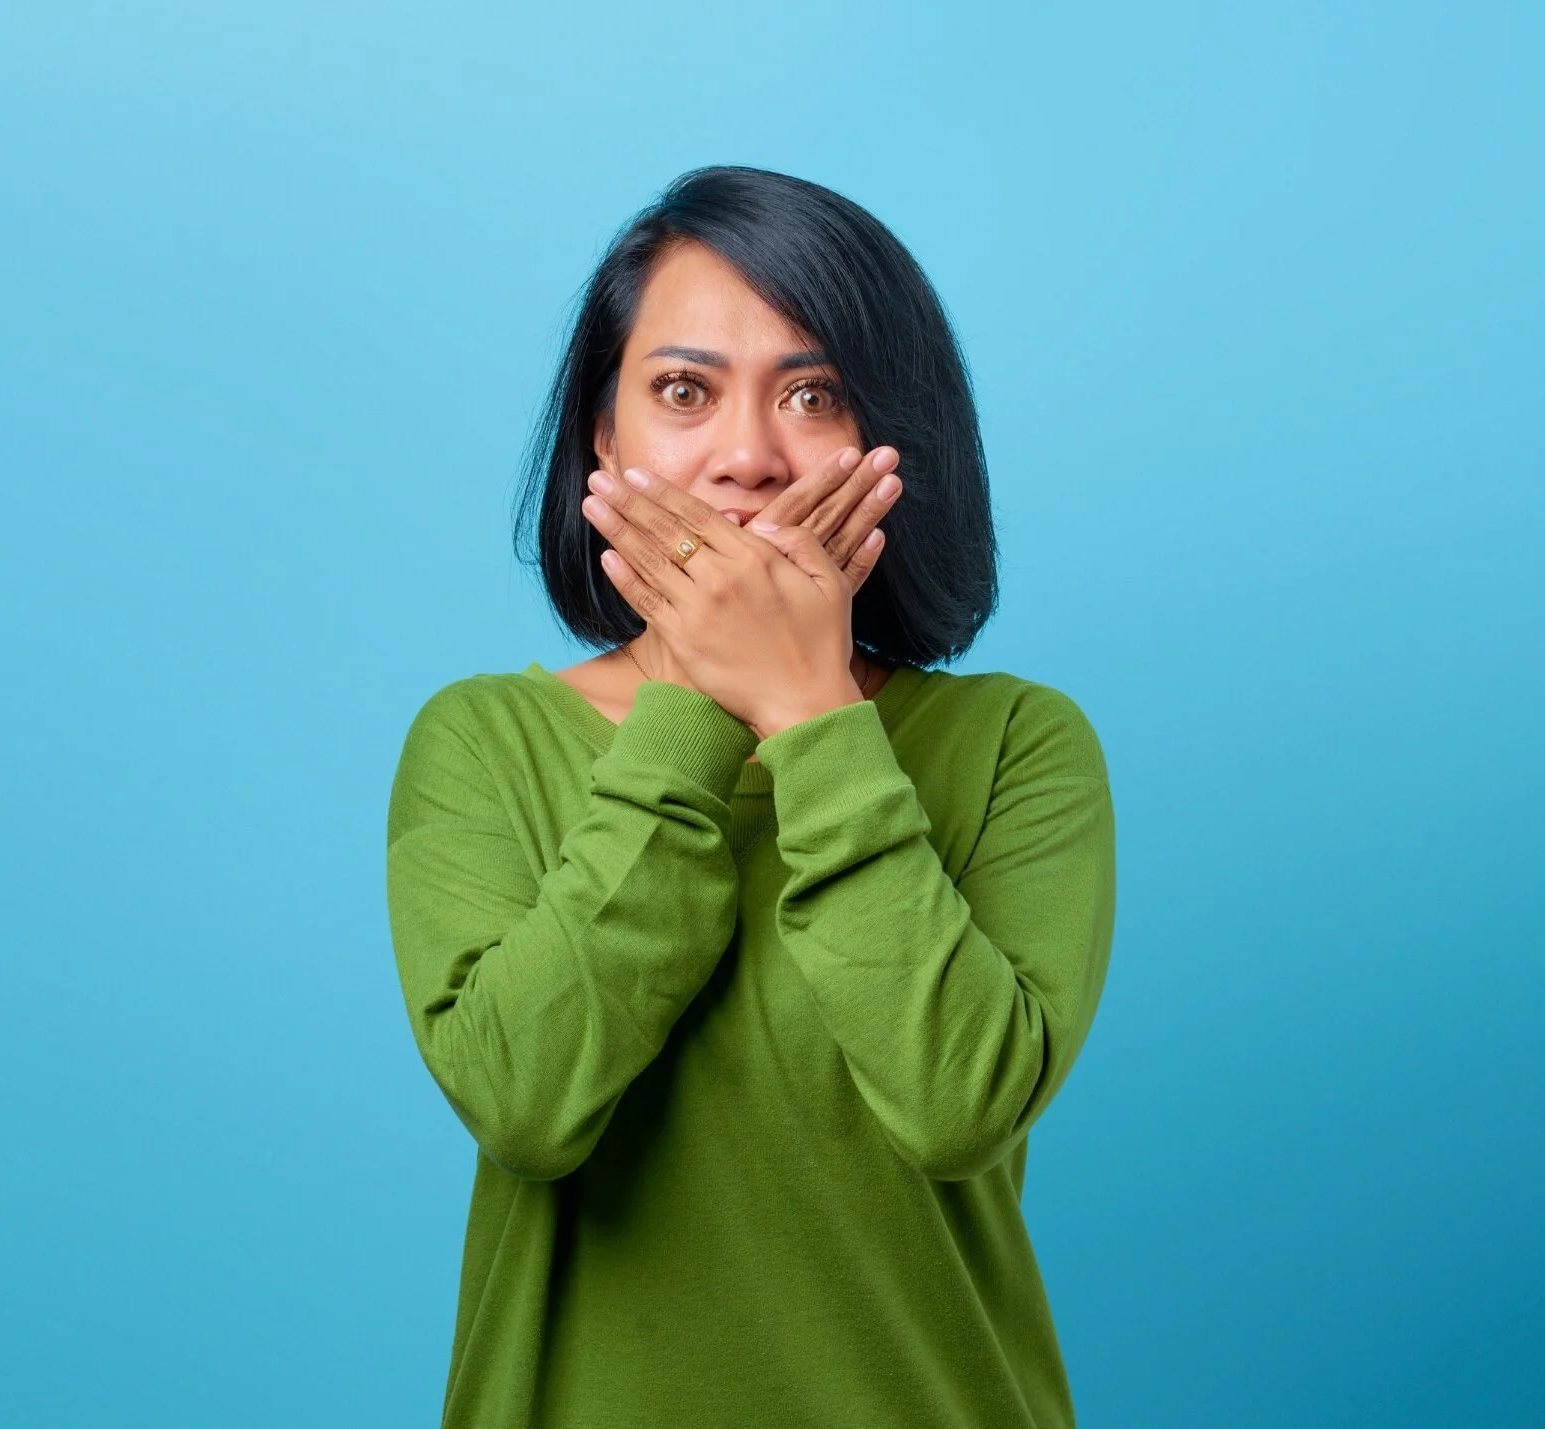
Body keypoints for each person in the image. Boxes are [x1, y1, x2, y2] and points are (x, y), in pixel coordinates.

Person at [384, 165, 1117, 1429]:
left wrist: (814, 714)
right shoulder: (481, 740)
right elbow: (524, 1101)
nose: (746, 457)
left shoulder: (1016, 746)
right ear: (602, 439)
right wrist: (694, 706)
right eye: (682, 390)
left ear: (893, 435)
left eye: (812, 393)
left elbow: (956, 1105)